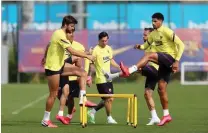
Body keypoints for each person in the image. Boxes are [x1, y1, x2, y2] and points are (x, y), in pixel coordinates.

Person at [112, 12, 185, 126]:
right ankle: (166, 115)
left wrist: (177, 61)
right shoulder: (153, 35)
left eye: (155, 21)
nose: (153, 23)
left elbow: (181, 45)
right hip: (162, 64)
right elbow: (145, 46)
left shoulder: (167, 31)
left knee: (149, 55)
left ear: (161, 21)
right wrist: (139, 47)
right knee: (161, 89)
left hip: (170, 58)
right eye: (152, 21)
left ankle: (129, 70)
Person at [41, 15, 95, 128]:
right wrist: (87, 56)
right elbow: (72, 51)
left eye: (74, 27)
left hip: (60, 65)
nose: (72, 29)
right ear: (65, 25)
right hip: (53, 68)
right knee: (53, 94)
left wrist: (87, 54)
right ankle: (45, 120)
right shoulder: (59, 34)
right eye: (71, 26)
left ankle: (82, 98)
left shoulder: (63, 35)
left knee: (82, 73)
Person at [104, 28, 161, 125]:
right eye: (143, 35)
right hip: (151, 72)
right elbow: (143, 47)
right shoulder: (147, 45)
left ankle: (114, 75)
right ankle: (155, 117)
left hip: (155, 70)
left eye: (145, 35)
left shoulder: (155, 44)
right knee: (147, 94)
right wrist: (139, 46)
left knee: (134, 69)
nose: (143, 36)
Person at [56, 29, 97, 125]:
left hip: (73, 77)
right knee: (62, 94)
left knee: (68, 94)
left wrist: (88, 76)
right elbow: (73, 53)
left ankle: (66, 115)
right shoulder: (60, 43)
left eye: (72, 33)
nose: (71, 35)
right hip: (61, 71)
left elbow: (84, 57)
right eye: (69, 33)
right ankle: (66, 113)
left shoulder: (79, 46)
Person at [87, 32, 121, 124]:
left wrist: (119, 67)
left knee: (109, 99)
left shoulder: (109, 48)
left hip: (108, 78)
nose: (105, 42)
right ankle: (109, 118)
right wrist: (89, 76)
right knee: (108, 98)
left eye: (106, 40)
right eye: (103, 41)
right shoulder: (95, 50)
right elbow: (91, 64)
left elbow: (111, 60)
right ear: (99, 40)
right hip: (100, 79)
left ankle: (92, 111)